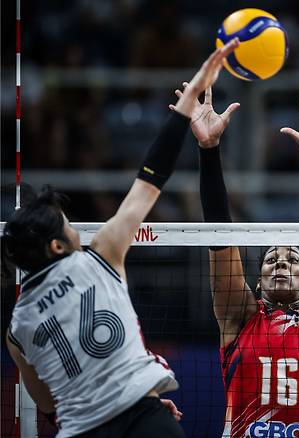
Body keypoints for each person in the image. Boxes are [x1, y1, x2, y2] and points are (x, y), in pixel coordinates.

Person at [3, 38, 240, 438]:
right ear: (57, 246)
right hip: (147, 422)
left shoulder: (17, 328)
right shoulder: (98, 257)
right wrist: (191, 98)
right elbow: (152, 176)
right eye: (68, 225)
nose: (76, 229)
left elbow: (47, 405)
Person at [179, 83, 299, 437]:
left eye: (293, 259)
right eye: (271, 258)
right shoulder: (238, 317)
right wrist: (208, 149)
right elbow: (219, 240)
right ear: (257, 282)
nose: (282, 263)